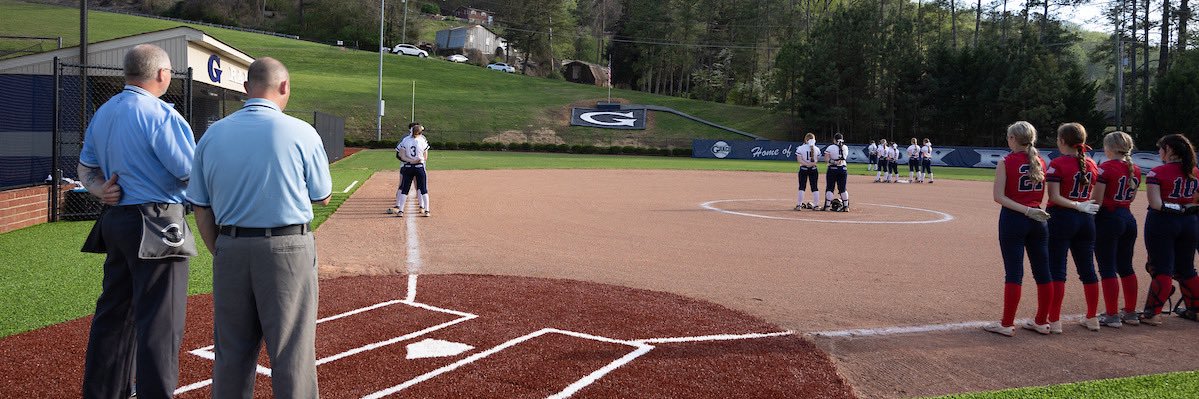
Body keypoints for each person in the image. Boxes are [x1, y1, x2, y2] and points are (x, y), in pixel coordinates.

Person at [188, 57, 332, 398]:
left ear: (245, 88)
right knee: (291, 354)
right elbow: (322, 195)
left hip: (231, 247)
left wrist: (221, 248)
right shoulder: (301, 131)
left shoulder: (213, 134)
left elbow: (200, 205)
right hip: (287, 249)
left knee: (231, 353)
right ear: (284, 87)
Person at [76, 43, 195, 399]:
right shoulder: (161, 115)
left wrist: (99, 190)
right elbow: (190, 172)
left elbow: (86, 167)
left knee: (114, 315)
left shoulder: (105, 111)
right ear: (161, 74)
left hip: (115, 220)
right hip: (158, 224)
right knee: (161, 323)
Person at [983, 121, 1052, 337]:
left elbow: (999, 197)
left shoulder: (1006, 161)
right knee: (1043, 272)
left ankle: (1006, 323)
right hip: (1038, 219)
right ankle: (1042, 321)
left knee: (1014, 272)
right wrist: (1031, 210)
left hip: (1014, 219)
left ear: (1013, 139)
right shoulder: (1040, 161)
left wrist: (1024, 210)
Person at [1044, 123, 1101, 332]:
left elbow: (1054, 197)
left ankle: (1055, 320)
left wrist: (1075, 204)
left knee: (1057, 270)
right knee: (1088, 269)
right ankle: (1092, 317)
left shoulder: (1058, 164)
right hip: (1086, 219)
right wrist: (1082, 205)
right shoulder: (1091, 164)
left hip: (1062, 218)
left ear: (1061, 141)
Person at [1140, 134, 1199, 325]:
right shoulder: (1195, 172)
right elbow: (1194, 203)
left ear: (1170, 150)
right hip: (1189, 224)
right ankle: (1195, 309)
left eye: (1161, 149)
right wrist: (1185, 208)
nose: (1159, 153)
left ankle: (1152, 313)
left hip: (1163, 223)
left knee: (1162, 268)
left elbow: (1156, 204)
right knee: (1187, 269)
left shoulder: (1157, 173)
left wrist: (1177, 208)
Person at [1091, 131, 1142, 327]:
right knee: (1126, 266)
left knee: (1107, 268)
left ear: (1109, 148)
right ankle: (1130, 312)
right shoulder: (1135, 169)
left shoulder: (1106, 168)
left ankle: (1111, 314)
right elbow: (1132, 197)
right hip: (1127, 218)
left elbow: (1098, 201)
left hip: (1109, 219)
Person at [388, 122, 431, 217]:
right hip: (420, 167)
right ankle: (426, 210)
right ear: (420, 132)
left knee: (404, 189)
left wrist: (410, 161)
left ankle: (401, 210)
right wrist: (417, 160)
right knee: (423, 188)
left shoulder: (405, 140)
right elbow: (425, 157)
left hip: (407, 166)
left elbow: (401, 155)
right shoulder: (422, 140)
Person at [820, 133, 850, 212]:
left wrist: (833, 162)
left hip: (832, 169)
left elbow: (826, 159)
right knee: (843, 189)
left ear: (834, 139)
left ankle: (827, 206)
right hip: (843, 169)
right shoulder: (845, 147)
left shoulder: (831, 147)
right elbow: (844, 158)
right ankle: (846, 206)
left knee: (830, 188)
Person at [794, 133, 821, 210]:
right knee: (814, 187)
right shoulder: (817, 149)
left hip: (803, 169)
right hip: (813, 169)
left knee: (802, 187)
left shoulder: (801, 148)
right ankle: (816, 205)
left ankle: (799, 205)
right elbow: (816, 160)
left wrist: (806, 164)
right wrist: (811, 164)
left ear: (806, 139)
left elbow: (799, 160)